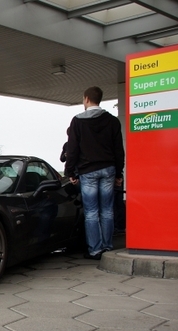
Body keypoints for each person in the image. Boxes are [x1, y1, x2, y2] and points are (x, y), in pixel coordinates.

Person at [65, 86, 125, 260]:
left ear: (86, 99)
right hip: (108, 170)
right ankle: (107, 247)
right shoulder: (113, 121)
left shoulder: (77, 121)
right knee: (107, 210)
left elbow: (73, 149)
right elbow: (118, 150)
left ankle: (95, 250)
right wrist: (119, 173)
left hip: (88, 171)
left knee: (91, 212)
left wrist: (71, 172)